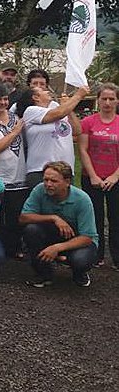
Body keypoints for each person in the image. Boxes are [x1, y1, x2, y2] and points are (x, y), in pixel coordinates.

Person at [20, 161, 98, 288]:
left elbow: (87, 237)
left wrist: (57, 248)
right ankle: (43, 273)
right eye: (46, 180)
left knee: (80, 260)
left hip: (78, 240)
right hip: (53, 234)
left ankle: (79, 272)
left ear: (67, 182)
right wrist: (53, 218)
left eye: (54, 181)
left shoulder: (82, 200)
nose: (48, 184)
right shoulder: (39, 190)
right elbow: (24, 218)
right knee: (31, 230)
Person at [15, 84, 88, 187]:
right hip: (40, 171)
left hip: (65, 170)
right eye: (43, 90)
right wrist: (78, 95)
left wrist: (68, 108)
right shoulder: (31, 111)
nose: (48, 91)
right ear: (35, 97)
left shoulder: (59, 109)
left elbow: (77, 130)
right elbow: (59, 113)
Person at [79, 82, 119, 268]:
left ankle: (116, 257)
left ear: (117, 101)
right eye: (104, 99)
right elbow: (83, 149)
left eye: (111, 99)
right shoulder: (88, 122)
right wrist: (93, 175)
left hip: (115, 178)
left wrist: (115, 176)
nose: (107, 103)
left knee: (116, 217)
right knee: (95, 217)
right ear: (98, 100)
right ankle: (96, 254)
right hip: (91, 177)